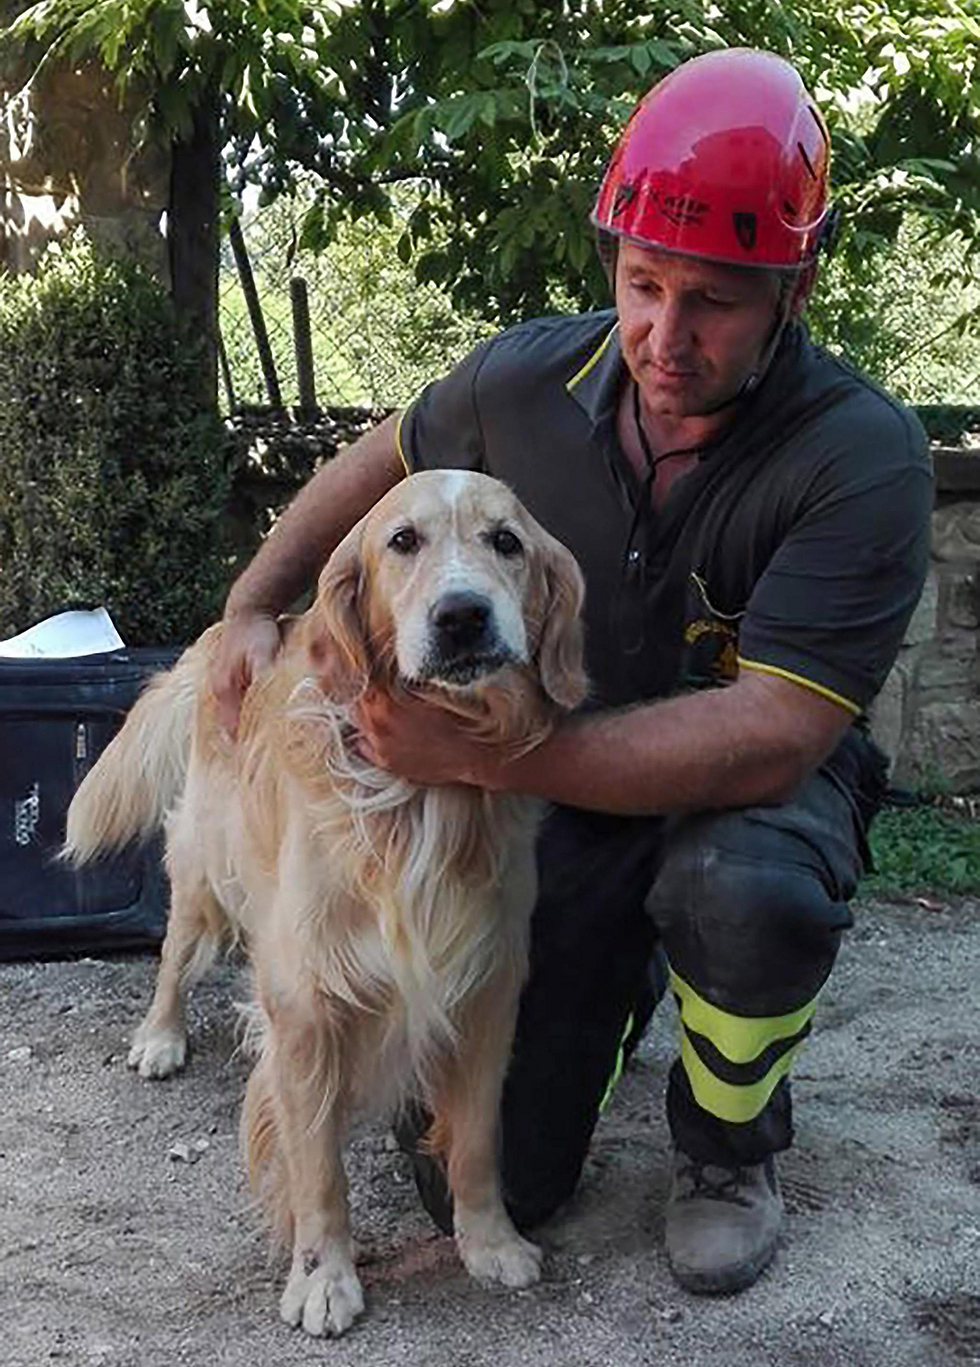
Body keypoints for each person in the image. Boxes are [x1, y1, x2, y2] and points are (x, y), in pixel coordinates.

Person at [211, 48, 933, 1295]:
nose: (662, 334)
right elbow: (377, 458)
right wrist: (250, 602)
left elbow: (769, 731)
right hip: (563, 775)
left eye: (711, 300)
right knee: (480, 1173)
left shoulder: (858, 455)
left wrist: (490, 752)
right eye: (642, 282)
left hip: (745, 791)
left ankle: (725, 1144)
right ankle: (608, 994)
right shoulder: (527, 378)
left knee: (745, 888)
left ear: (790, 289)